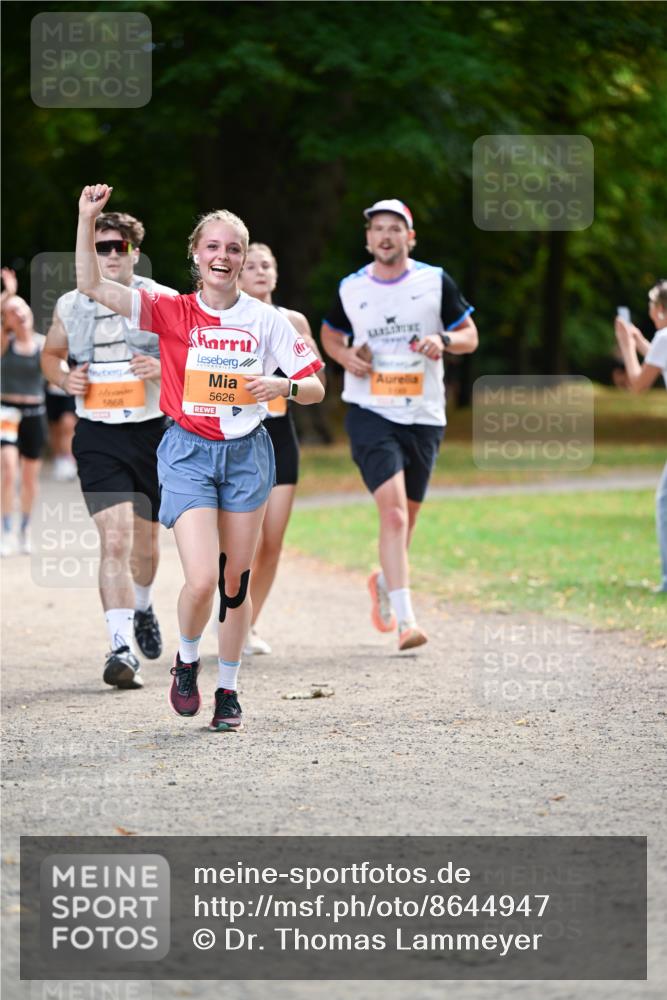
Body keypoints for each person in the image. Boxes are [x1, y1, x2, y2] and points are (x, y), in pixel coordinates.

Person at [74, 184, 324, 731]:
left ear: (242, 257)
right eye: (213, 246)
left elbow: (315, 387)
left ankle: (228, 689)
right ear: (196, 253)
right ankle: (187, 660)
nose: (223, 256)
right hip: (187, 451)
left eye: (233, 248)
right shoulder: (170, 309)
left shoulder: (267, 320)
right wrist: (87, 220)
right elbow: (90, 284)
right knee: (203, 578)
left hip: (248, 455)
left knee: (235, 581)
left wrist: (280, 385)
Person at [321, 199, 478, 650]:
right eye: (377, 228)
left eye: (394, 228)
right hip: (370, 410)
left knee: (406, 519)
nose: (385, 236)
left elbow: (470, 336)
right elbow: (330, 333)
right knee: (392, 513)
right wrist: (345, 356)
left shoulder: (434, 281)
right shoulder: (352, 287)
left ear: (410, 237)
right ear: (368, 239)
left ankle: (386, 582)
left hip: (424, 413)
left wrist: (442, 339)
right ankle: (408, 622)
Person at [41, 209, 179, 689]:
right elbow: (51, 355)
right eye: (101, 247)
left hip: (152, 433)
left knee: (146, 544)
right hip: (98, 435)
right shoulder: (70, 303)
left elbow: (190, 356)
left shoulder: (160, 298)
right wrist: (65, 379)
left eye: (119, 247)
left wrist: (161, 368)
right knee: (114, 540)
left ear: (135, 252)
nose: (111, 255)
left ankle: (143, 605)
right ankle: (121, 649)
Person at [237, 243, 325, 655]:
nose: (259, 271)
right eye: (251, 265)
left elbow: (316, 381)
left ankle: (248, 625)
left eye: (266, 265)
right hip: (239, 433)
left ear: (275, 273)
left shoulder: (293, 320)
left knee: (272, 541)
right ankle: (231, 614)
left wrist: (306, 351)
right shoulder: (230, 318)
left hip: (279, 433)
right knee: (245, 543)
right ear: (238, 275)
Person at [614, 278, 667, 594]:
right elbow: (660, 362)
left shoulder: (664, 337)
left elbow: (637, 384)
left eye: (651, 307)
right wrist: (640, 342)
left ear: (660, 310)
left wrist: (625, 344)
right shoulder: (662, 340)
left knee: (665, 501)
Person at [1, 289, 46, 556]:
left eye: (21, 308)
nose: (18, 313)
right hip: (6, 413)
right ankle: (6, 529)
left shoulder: (44, 345)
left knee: (29, 479)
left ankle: (25, 529)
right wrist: (8, 294)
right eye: (11, 311)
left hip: (34, 414)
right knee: (8, 472)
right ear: (6, 319)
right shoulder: (5, 343)